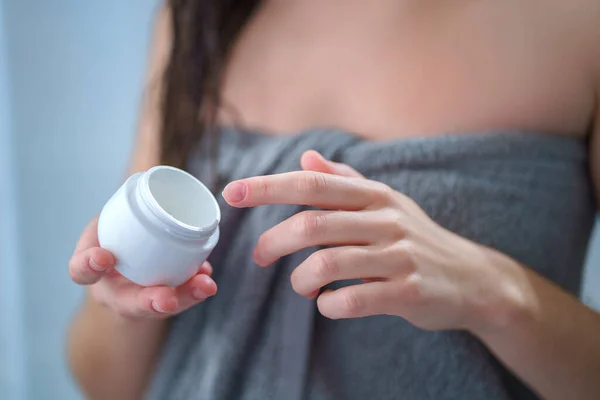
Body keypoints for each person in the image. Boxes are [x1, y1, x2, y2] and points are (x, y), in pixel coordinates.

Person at [67, 1, 600, 399]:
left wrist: (495, 293)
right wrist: (128, 295)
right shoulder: (197, 17)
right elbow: (104, 383)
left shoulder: (579, 23)